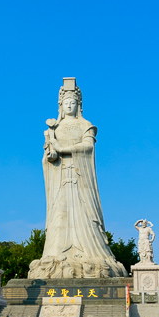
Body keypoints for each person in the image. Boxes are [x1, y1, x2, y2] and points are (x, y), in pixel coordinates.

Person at [28, 80, 126, 279]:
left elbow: (88, 147)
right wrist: (51, 154)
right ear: (61, 106)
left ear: (79, 105)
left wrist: (64, 149)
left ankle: (91, 256)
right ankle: (55, 257)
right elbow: (49, 156)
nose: (69, 105)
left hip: (81, 182)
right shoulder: (55, 129)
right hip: (61, 181)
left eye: (73, 102)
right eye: (66, 102)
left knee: (85, 216)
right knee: (59, 216)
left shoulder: (86, 126)